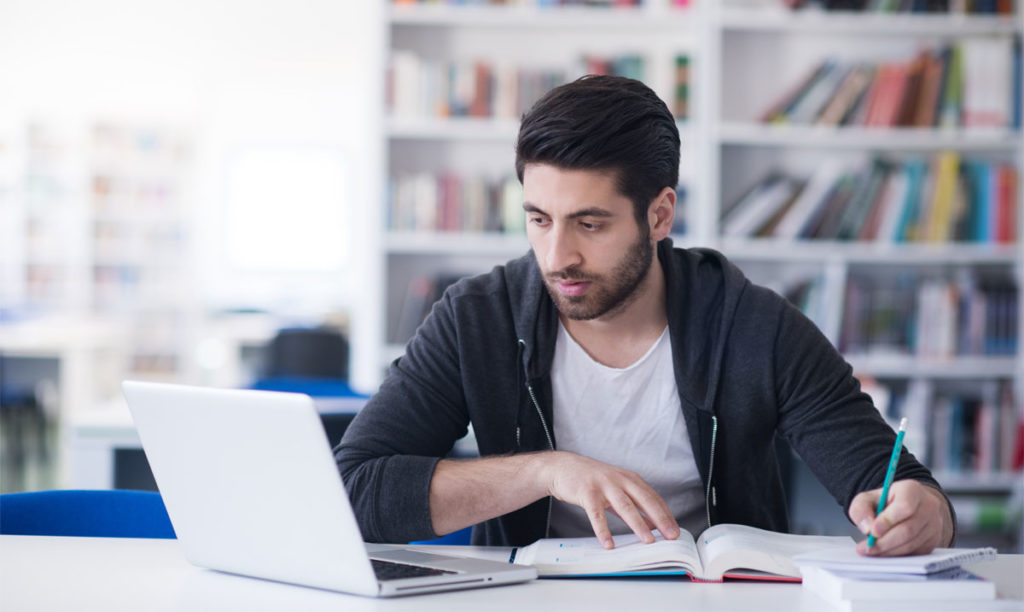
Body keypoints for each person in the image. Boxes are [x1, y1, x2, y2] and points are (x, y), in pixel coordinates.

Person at [335, 75, 954, 556]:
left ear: (660, 216)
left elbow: (901, 484)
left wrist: (920, 512)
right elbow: (355, 491)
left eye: (590, 223)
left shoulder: (756, 327)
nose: (558, 257)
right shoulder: (477, 320)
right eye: (539, 219)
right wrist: (547, 473)